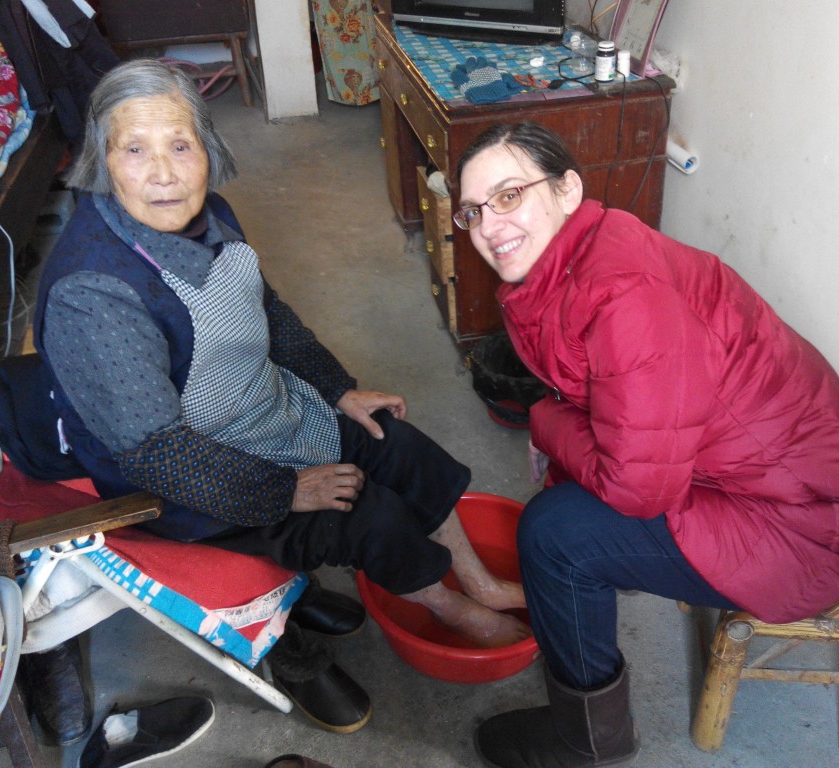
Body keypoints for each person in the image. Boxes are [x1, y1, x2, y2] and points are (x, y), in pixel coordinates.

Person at [31, 59, 528, 734]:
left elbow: (264, 309)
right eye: (135, 150)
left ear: (208, 148)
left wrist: (338, 389)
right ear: (102, 159)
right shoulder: (93, 292)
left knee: (399, 446)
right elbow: (155, 454)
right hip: (187, 476)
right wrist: (286, 491)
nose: (165, 174)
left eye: (180, 145)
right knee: (369, 513)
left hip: (264, 410)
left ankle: (478, 580)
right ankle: (442, 608)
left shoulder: (210, 214)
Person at [453, 121, 839, 768]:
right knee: (569, 502)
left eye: (510, 195)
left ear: (568, 190)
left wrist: (546, 422)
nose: (490, 226)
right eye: (473, 211)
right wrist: (561, 427)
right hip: (762, 484)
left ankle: (587, 741)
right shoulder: (582, 256)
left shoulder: (625, 292)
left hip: (808, 532)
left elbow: (637, 488)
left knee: (553, 534)